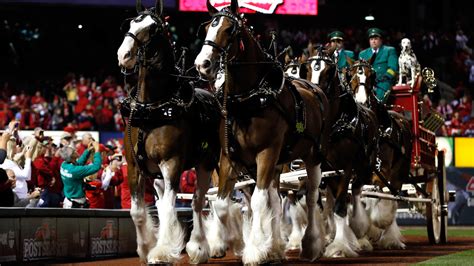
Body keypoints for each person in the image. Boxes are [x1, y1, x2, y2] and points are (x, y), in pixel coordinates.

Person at [359, 27, 399, 103]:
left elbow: (393, 68)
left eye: (376, 39)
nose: (373, 41)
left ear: (381, 40)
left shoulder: (389, 50)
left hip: (383, 81)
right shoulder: (363, 54)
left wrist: (385, 77)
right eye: (371, 39)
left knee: (377, 101)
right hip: (367, 82)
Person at [60, 141, 102, 208]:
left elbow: (78, 163)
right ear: (72, 156)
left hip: (69, 200)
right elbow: (96, 166)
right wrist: (97, 151)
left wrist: (88, 150)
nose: (76, 150)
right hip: (76, 203)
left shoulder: (64, 165)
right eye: (74, 151)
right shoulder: (75, 170)